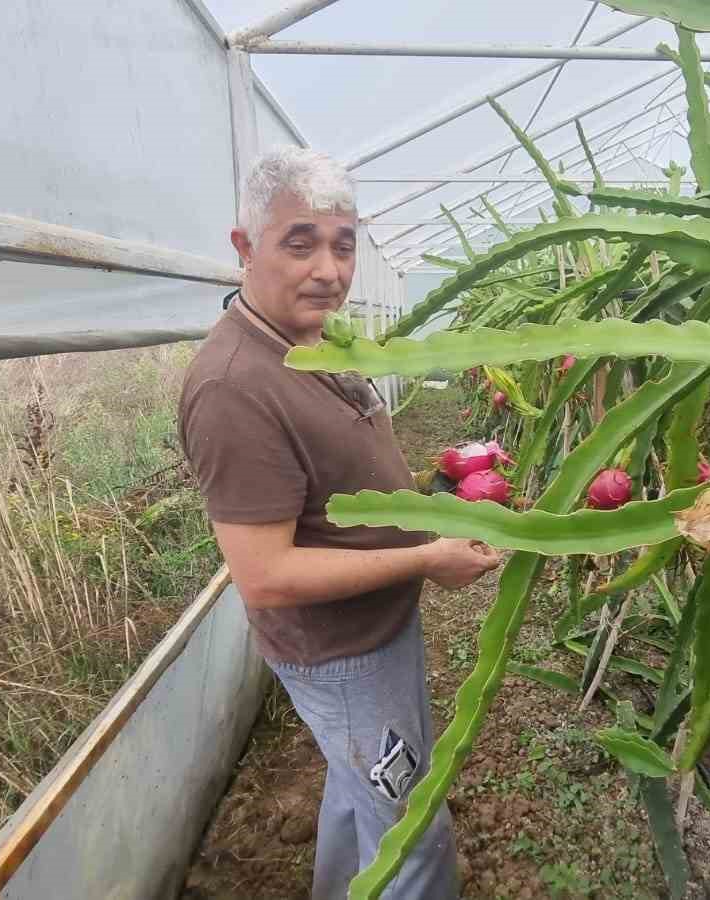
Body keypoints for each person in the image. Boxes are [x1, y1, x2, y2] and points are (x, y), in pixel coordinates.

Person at [178, 146, 500, 900]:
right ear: (244, 247)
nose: (328, 269)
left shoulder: (305, 341)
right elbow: (265, 575)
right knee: (411, 832)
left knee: (364, 798)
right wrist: (424, 558)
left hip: (371, 635)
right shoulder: (234, 388)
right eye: (300, 242)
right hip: (341, 654)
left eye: (343, 244)